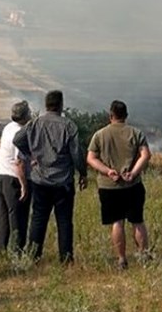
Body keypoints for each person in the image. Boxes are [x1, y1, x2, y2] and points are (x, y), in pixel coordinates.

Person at [14, 90, 87, 263]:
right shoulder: (69, 126)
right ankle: (66, 259)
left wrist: (30, 155)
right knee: (64, 221)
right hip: (63, 181)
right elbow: (76, 153)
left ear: (46, 105)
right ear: (61, 105)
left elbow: (18, 139)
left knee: (38, 219)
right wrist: (83, 173)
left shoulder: (35, 124)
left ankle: (33, 257)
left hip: (40, 180)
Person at [87, 100, 152, 269]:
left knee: (117, 222)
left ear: (110, 116)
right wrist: (134, 172)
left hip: (109, 187)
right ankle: (144, 255)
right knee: (137, 221)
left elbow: (91, 158)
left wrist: (107, 171)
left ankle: (122, 259)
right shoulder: (136, 133)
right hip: (133, 185)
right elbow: (145, 155)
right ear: (126, 115)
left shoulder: (100, 135)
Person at [0, 100, 33, 254]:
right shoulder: (21, 134)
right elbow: (19, 163)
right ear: (25, 116)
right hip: (13, 179)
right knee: (18, 217)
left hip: (0, 176)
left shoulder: (8, 128)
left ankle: (1, 250)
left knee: (3, 217)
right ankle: (17, 252)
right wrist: (24, 186)